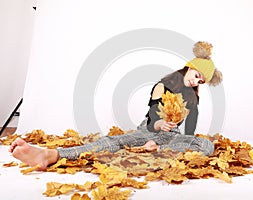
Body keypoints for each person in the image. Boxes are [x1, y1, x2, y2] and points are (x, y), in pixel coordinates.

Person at [9, 41, 222, 170]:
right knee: (113, 142)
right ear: (189, 68)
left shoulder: (193, 98)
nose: (196, 81)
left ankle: (156, 151)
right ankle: (51, 155)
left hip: (171, 139)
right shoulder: (162, 86)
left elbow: (191, 131)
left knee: (206, 146)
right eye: (196, 75)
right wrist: (160, 125)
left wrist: (181, 142)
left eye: (201, 81)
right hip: (149, 131)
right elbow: (151, 121)